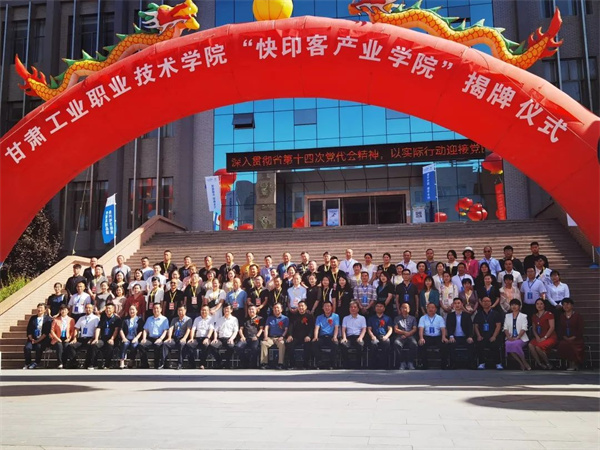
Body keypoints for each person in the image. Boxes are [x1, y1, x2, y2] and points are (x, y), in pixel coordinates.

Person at [65, 303, 100, 369]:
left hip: (91, 338)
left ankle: (90, 364)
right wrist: (75, 338)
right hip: (82, 338)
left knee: (92, 346)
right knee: (71, 346)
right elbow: (76, 328)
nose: (88, 309)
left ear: (92, 309)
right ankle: (75, 363)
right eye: (86, 308)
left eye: (90, 308)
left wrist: (93, 338)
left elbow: (97, 329)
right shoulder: (81, 318)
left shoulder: (96, 318)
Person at [473, 297, 504, 370]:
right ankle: (481, 363)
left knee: (495, 344)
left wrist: (494, 336)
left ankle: (498, 363)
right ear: (481, 303)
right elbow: (476, 326)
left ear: (491, 303)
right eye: (484, 301)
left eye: (487, 301)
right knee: (479, 344)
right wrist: (478, 335)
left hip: (493, 335)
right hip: (482, 335)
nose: (486, 303)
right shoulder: (479, 314)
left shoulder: (496, 313)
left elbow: (498, 326)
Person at [90, 302, 122, 369]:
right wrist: (96, 338)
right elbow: (98, 328)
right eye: (107, 308)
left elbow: (116, 330)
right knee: (94, 345)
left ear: (113, 309)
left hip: (113, 339)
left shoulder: (117, 319)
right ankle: (94, 364)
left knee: (110, 346)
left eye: (109, 308)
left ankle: (107, 365)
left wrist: (112, 339)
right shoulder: (103, 318)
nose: (108, 310)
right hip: (103, 339)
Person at [445, 298, 475, 369]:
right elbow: (449, 327)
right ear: (453, 305)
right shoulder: (450, 315)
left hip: (465, 337)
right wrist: (451, 336)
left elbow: (470, 327)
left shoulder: (466, 315)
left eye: (458, 303)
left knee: (471, 344)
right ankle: (452, 364)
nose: (457, 305)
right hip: (454, 337)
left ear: (462, 304)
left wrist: (470, 336)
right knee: (450, 345)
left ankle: (471, 364)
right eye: (455, 303)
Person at [528, 299, 558, 370]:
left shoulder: (549, 314)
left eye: (541, 304)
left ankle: (548, 363)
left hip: (549, 336)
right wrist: (537, 337)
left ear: (544, 305)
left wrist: (545, 337)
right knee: (530, 345)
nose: (539, 305)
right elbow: (534, 329)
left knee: (538, 346)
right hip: (539, 337)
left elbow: (552, 327)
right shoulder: (534, 316)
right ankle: (539, 363)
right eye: (537, 304)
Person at [417, 302, 448, 370]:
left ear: (436, 309)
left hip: (437, 337)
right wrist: (421, 338)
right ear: (426, 309)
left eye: (432, 308)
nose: (431, 309)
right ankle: (423, 365)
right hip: (427, 336)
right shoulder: (423, 318)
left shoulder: (439, 318)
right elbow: (421, 329)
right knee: (421, 344)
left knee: (444, 344)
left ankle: (444, 365)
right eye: (429, 308)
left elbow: (443, 328)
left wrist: (443, 337)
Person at [139, 303, 170, 369]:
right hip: (150, 338)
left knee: (157, 345)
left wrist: (160, 339)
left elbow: (165, 331)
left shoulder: (164, 319)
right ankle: (145, 364)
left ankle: (157, 364)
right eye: (154, 308)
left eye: (157, 308)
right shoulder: (149, 319)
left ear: (161, 309)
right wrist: (144, 338)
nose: (156, 310)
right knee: (141, 345)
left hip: (159, 338)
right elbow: (145, 330)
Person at [557, 298, 585, 371]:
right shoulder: (562, 316)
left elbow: (580, 328)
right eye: (564, 305)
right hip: (565, 338)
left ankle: (575, 364)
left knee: (573, 345)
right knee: (562, 344)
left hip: (576, 339)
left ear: (572, 305)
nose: (566, 306)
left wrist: (574, 337)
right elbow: (560, 329)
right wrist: (564, 337)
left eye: (568, 304)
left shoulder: (577, 316)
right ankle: (568, 364)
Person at [23, 303, 53, 369]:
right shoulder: (33, 318)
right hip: (33, 338)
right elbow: (29, 329)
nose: (39, 309)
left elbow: (46, 332)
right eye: (38, 308)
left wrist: (37, 341)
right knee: (27, 347)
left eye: (41, 308)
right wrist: (31, 338)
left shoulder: (48, 319)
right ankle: (27, 363)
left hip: (43, 339)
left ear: (45, 310)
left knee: (39, 347)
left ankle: (36, 362)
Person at [503, 299, 531, 370]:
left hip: (521, 338)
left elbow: (524, 328)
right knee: (508, 344)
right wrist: (508, 337)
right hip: (511, 337)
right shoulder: (507, 316)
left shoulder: (523, 316)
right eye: (512, 305)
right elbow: (505, 328)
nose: (514, 306)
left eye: (515, 305)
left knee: (515, 344)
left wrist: (518, 337)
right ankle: (521, 363)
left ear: (519, 306)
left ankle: (524, 362)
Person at [162, 305, 193, 370]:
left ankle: (180, 364)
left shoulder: (188, 319)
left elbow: (188, 330)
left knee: (181, 344)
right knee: (165, 343)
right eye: (179, 310)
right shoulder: (174, 319)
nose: (180, 312)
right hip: (175, 338)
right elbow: (171, 328)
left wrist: (184, 338)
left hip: (183, 337)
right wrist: (169, 337)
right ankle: (164, 363)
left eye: (181, 310)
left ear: (185, 311)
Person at [286, 301, 315, 369]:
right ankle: (292, 364)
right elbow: (290, 327)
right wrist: (290, 335)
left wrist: (309, 336)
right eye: (299, 306)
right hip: (296, 337)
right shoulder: (294, 316)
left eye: (302, 306)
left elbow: (312, 328)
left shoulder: (310, 316)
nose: (301, 307)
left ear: (306, 307)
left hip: (306, 337)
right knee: (289, 344)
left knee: (308, 345)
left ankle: (305, 364)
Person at [210, 304, 239, 369]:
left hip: (229, 338)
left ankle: (227, 363)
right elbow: (216, 330)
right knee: (212, 346)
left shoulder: (234, 319)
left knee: (231, 347)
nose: (226, 310)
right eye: (225, 309)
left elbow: (235, 331)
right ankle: (220, 362)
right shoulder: (219, 319)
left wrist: (231, 339)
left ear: (231, 310)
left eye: (228, 309)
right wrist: (215, 338)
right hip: (220, 339)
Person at [260, 303, 288, 369]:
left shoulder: (285, 318)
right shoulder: (269, 318)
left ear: (281, 309)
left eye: (278, 308)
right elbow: (266, 328)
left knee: (282, 344)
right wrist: (265, 336)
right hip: (271, 337)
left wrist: (282, 336)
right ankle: (264, 363)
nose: (276, 309)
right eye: (274, 308)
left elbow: (286, 329)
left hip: (280, 337)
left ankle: (280, 364)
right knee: (264, 343)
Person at [312, 301, 340, 370]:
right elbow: (317, 328)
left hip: (331, 336)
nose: (327, 308)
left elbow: (336, 327)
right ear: (323, 308)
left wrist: (335, 337)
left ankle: (332, 363)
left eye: (329, 306)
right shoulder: (319, 317)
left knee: (335, 344)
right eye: (325, 306)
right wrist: (315, 337)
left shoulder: (336, 316)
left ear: (331, 307)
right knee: (314, 343)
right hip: (322, 336)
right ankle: (319, 362)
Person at [186, 305, 214, 369]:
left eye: (205, 310)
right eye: (202, 310)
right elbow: (193, 329)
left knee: (205, 345)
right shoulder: (197, 319)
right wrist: (191, 338)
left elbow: (211, 330)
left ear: (208, 311)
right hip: (197, 338)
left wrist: (207, 338)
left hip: (206, 338)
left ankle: (202, 364)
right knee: (189, 344)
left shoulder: (211, 319)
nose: (204, 312)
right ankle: (192, 364)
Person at [340, 301, 367, 369]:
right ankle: (346, 364)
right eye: (351, 307)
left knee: (360, 345)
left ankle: (358, 364)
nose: (353, 309)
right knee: (343, 344)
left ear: (358, 309)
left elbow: (364, 329)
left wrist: (360, 337)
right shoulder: (345, 318)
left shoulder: (362, 318)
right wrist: (344, 338)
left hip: (358, 336)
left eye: (355, 307)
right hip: (348, 337)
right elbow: (343, 329)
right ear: (349, 309)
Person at [367, 302, 393, 370]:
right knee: (373, 343)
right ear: (375, 308)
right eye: (377, 306)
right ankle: (374, 365)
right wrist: (372, 336)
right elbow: (369, 329)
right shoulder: (371, 318)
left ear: (384, 308)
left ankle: (384, 364)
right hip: (375, 336)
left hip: (384, 336)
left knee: (387, 342)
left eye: (381, 306)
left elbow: (390, 329)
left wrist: (386, 336)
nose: (379, 308)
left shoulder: (387, 318)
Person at [49, 305, 76, 369]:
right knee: (59, 346)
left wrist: (69, 338)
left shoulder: (71, 320)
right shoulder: (56, 320)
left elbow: (72, 330)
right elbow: (52, 330)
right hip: (57, 338)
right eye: (62, 310)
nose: (63, 311)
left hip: (67, 338)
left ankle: (65, 362)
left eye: (65, 310)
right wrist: (57, 338)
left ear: (68, 311)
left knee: (67, 345)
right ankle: (60, 363)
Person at [393, 302, 418, 370]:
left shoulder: (413, 318)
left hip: (410, 335)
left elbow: (414, 329)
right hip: (400, 336)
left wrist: (407, 334)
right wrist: (404, 333)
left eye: (406, 308)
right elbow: (395, 329)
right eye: (403, 308)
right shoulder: (397, 318)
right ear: (400, 309)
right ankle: (402, 362)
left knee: (414, 343)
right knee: (396, 343)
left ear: (409, 309)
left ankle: (410, 362)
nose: (404, 309)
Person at [119, 305, 144, 369]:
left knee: (134, 345)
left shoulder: (139, 319)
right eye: (130, 309)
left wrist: (136, 338)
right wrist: (123, 338)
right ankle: (122, 361)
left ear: (136, 311)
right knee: (125, 344)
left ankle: (131, 361)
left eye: (133, 309)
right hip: (126, 338)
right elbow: (121, 329)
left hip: (135, 338)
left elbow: (141, 331)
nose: (131, 311)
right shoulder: (125, 319)